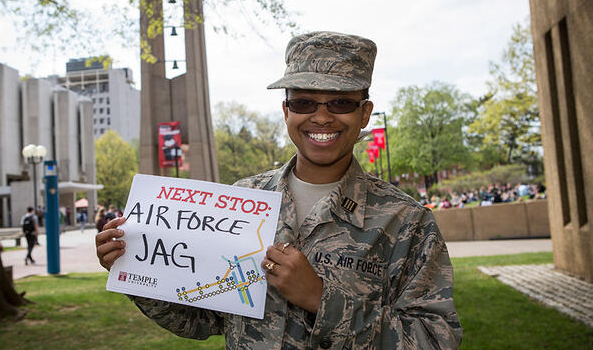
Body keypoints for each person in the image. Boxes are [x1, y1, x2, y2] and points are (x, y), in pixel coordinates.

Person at [96, 31, 462, 349]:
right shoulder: (242, 203)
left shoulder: (406, 222)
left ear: (364, 113)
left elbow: (435, 338)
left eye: (340, 102)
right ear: (286, 110)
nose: (321, 117)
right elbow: (204, 319)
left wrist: (321, 299)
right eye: (304, 102)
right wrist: (137, 269)